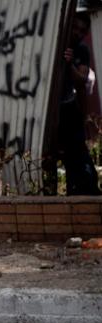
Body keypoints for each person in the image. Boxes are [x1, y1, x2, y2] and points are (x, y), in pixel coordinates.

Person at [57, 12, 101, 195]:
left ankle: (81, 192)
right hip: (50, 112)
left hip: (69, 108)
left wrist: (70, 64)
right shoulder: (57, 42)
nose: (78, 33)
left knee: (77, 156)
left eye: (82, 30)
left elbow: (81, 79)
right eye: (75, 28)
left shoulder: (81, 49)